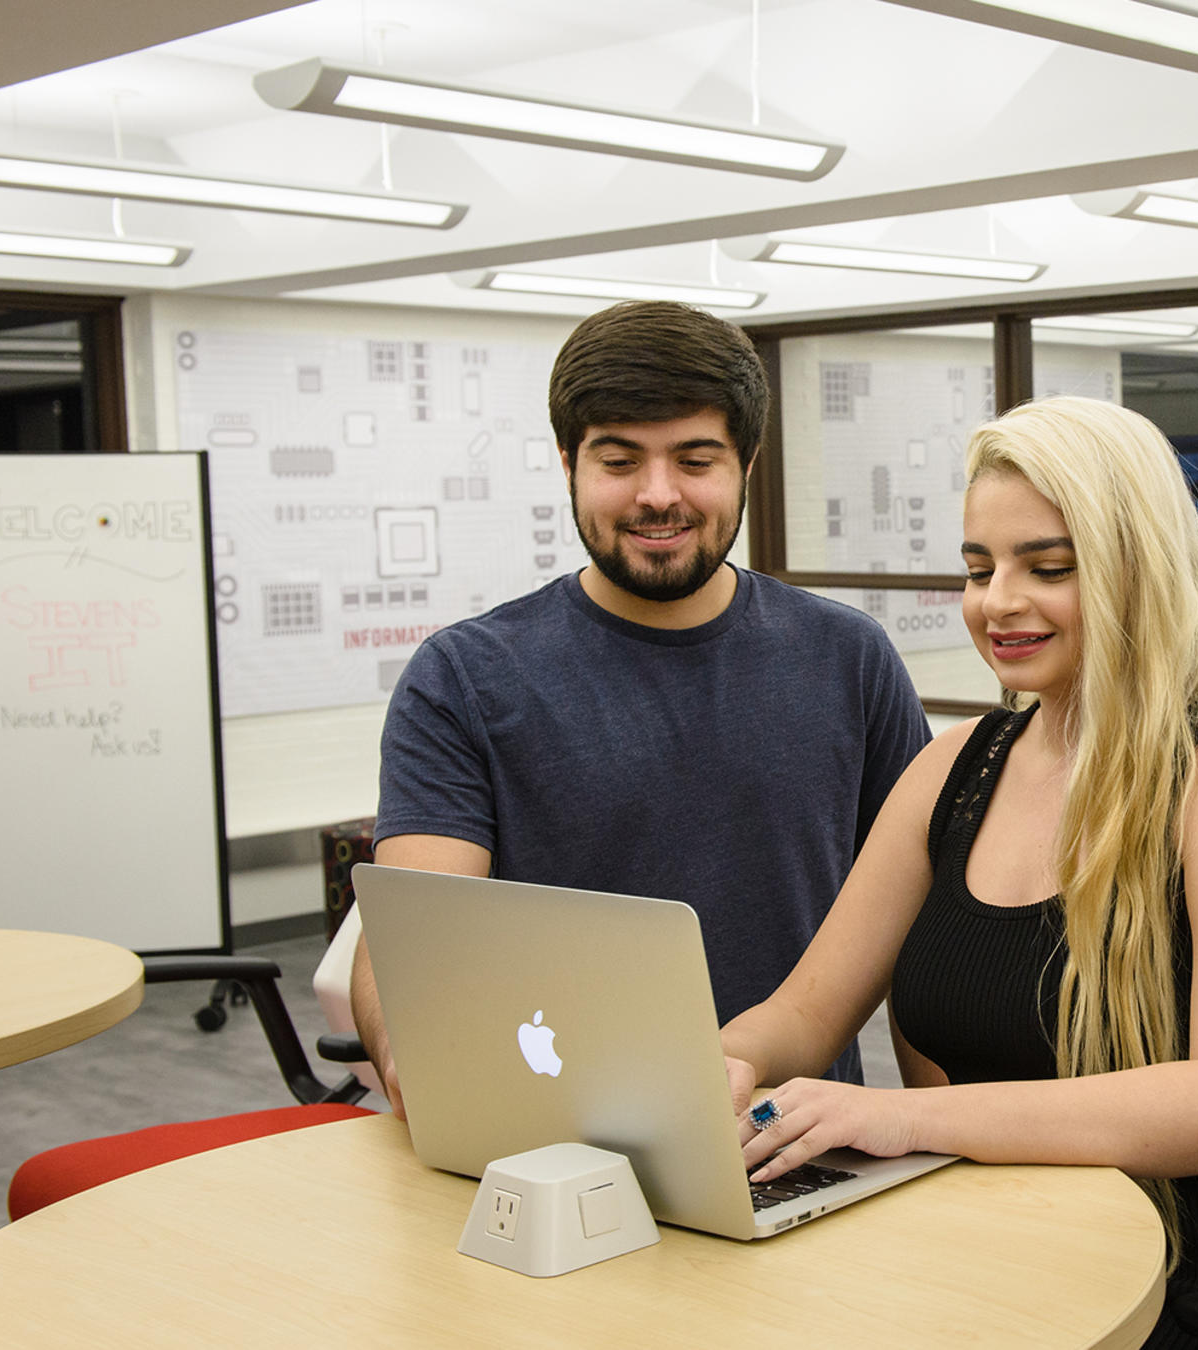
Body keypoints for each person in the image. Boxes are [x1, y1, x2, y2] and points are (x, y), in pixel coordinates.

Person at [719, 397, 1198, 1350]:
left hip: (1191, 1276)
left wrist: (908, 1120)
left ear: (1137, 572)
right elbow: (807, 1013)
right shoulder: (957, 766)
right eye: (978, 568)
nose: (996, 601)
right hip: (999, 1248)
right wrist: (718, 1066)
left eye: (1046, 567)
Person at [355, 301, 931, 1115]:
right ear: (568, 465)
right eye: (620, 461)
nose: (659, 496)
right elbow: (415, 938)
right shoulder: (465, 676)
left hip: (796, 1139)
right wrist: (413, 1041)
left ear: (748, 463)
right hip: (551, 1140)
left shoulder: (849, 658)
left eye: (695, 459)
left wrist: (944, 1141)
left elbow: (921, 927)